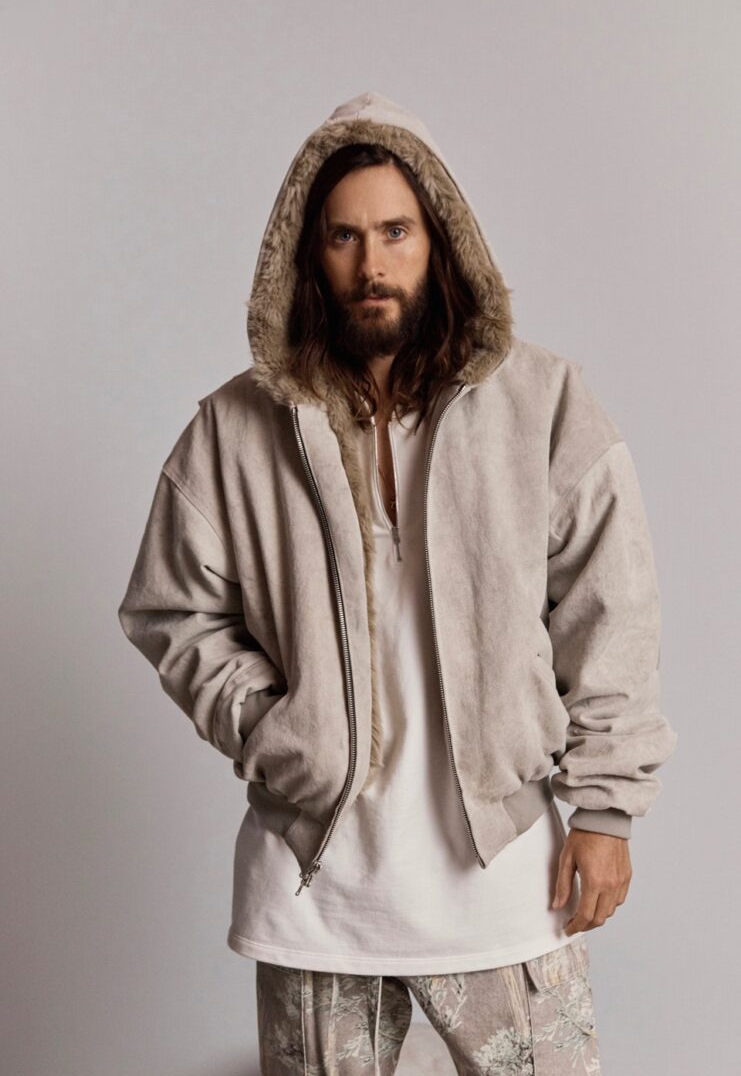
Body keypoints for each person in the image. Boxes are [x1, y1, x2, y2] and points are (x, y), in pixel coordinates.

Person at [118, 91, 679, 1074]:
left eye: (394, 232)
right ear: (307, 254)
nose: (370, 264)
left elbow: (611, 611)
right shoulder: (234, 428)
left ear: (440, 240)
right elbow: (171, 606)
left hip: (507, 878)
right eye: (343, 236)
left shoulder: (544, 404)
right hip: (316, 894)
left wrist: (604, 809)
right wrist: (270, 725)